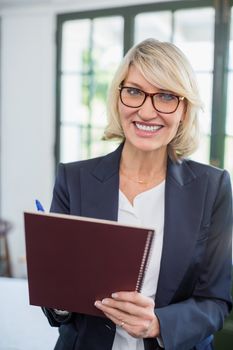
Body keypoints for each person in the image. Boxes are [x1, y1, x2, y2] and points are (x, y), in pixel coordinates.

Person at [43, 38, 232, 350]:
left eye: (167, 96)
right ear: (118, 98)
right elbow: (57, 302)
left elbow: (215, 301)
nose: (146, 111)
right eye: (134, 91)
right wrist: (59, 299)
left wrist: (158, 324)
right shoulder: (73, 179)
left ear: (184, 110)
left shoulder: (213, 188)